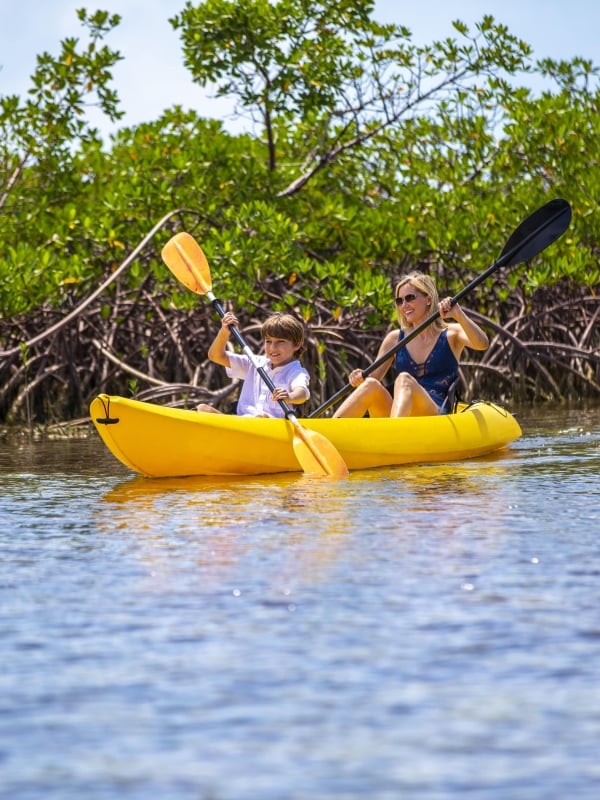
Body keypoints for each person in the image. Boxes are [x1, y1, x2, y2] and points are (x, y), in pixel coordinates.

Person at [333, 271, 489, 418]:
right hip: (401, 413)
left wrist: (458, 314)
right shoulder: (395, 339)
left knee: (404, 380)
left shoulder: (451, 334)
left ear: (428, 299)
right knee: (371, 385)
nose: (404, 305)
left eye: (410, 298)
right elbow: (372, 378)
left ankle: (395, 436)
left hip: (435, 413)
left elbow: (482, 344)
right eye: (399, 301)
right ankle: (329, 433)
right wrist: (358, 376)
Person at [197, 311, 310, 417]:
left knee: (261, 417)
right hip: (241, 421)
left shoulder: (296, 371)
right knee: (203, 409)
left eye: (280, 342)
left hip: (271, 426)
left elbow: (302, 393)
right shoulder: (255, 362)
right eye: (268, 341)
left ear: (297, 345)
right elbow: (215, 356)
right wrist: (224, 331)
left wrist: (290, 397)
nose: (272, 348)